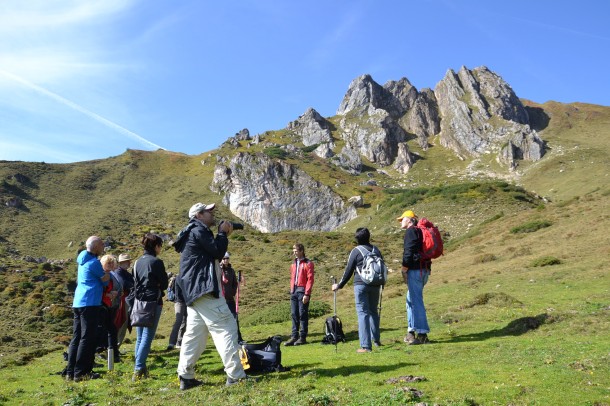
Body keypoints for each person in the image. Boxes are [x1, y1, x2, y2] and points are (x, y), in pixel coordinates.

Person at [175, 202, 249, 390]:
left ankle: (186, 376)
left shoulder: (192, 232)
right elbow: (217, 251)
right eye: (208, 211)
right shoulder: (198, 230)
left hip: (194, 292)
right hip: (204, 290)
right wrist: (223, 233)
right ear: (199, 215)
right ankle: (235, 376)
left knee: (195, 336)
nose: (212, 213)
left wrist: (222, 234)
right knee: (226, 326)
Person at [332, 228, 384, 353]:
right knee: (373, 311)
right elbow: (382, 267)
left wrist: (339, 285)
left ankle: (365, 346)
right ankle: (376, 340)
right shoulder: (376, 250)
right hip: (375, 284)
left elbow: (348, 270)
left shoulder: (356, 251)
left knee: (362, 313)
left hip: (361, 284)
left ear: (357, 239)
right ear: (369, 237)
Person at [66, 236, 110, 381]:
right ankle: (82, 372)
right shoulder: (94, 263)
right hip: (90, 302)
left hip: (78, 301)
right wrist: (107, 274)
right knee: (88, 337)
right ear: (96, 247)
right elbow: (104, 281)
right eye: (101, 244)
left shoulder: (82, 260)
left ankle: (70, 371)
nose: (103, 246)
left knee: (77, 336)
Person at [132, 233, 169, 380]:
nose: (161, 248)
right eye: (160, 245)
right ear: (156, 246)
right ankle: (139, 368)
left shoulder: (137, 262)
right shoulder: (156, 262)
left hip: (139, 301)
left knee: (140, 337)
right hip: (153, 301)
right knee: (147, 336)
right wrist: (158, 284)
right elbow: (165, 283)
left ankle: (141, 367)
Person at [398, 210, 431, 345]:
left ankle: (422, 334)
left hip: (415, 271)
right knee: (410, 299)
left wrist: (404, 268)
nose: (401, 222)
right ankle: (411, 332)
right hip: (424, 270)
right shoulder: (420, 231)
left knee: (416, 302)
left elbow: (408, 252)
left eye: (403, 219)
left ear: (410, 220)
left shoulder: (411, 231)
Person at [284, 243, 314, 346]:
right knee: (294, 314)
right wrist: (291, 289)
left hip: (302, 290)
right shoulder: (293, 263)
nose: (294, 252)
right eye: (293, 250)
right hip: (294, 290)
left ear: (301, 251)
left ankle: (302, 337)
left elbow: (310, 279)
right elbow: (292, 277)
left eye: (296, 250)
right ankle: (294, 336)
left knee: (302, 314)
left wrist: (307, 293)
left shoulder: (308, 263)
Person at [98, 254, 121, 363]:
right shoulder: (102, 274)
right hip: (104, 304)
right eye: (108, 262)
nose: (110, 264)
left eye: (112, 262)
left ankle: (111, 353)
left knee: (110, 329)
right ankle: (107, 352)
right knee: (108, 329)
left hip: (113, 304)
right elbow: (100, 289)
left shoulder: (112, 273)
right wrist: (108, 294)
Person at [220, 252, 243, 343]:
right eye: (224, 258)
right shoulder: (217, 270)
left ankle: (238, 338)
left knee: (234, 318)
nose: (225, 260)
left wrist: (232, 292)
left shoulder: (231, 271)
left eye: (227, 258)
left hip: (230, 299)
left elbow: (234, 283)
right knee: (222, 320)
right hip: (220, 300)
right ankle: (226, 339)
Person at [113, 253, 134, 349]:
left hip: (126, 299)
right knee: (121, 321)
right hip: (122, 300)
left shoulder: (124, 273)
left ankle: (116, 347)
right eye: (127, 261)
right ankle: (114, 347)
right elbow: (124, 284)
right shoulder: (118, 272)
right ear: (122, 262)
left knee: (124, 322)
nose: (129, 263)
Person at [167, 273, 187, 351]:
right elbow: (180, 293)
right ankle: (172, 343)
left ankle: (179, 342)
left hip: (184, 302)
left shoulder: (182, 277)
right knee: (179, 321)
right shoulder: (179, 278)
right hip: (180, 302)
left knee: (184, 321)